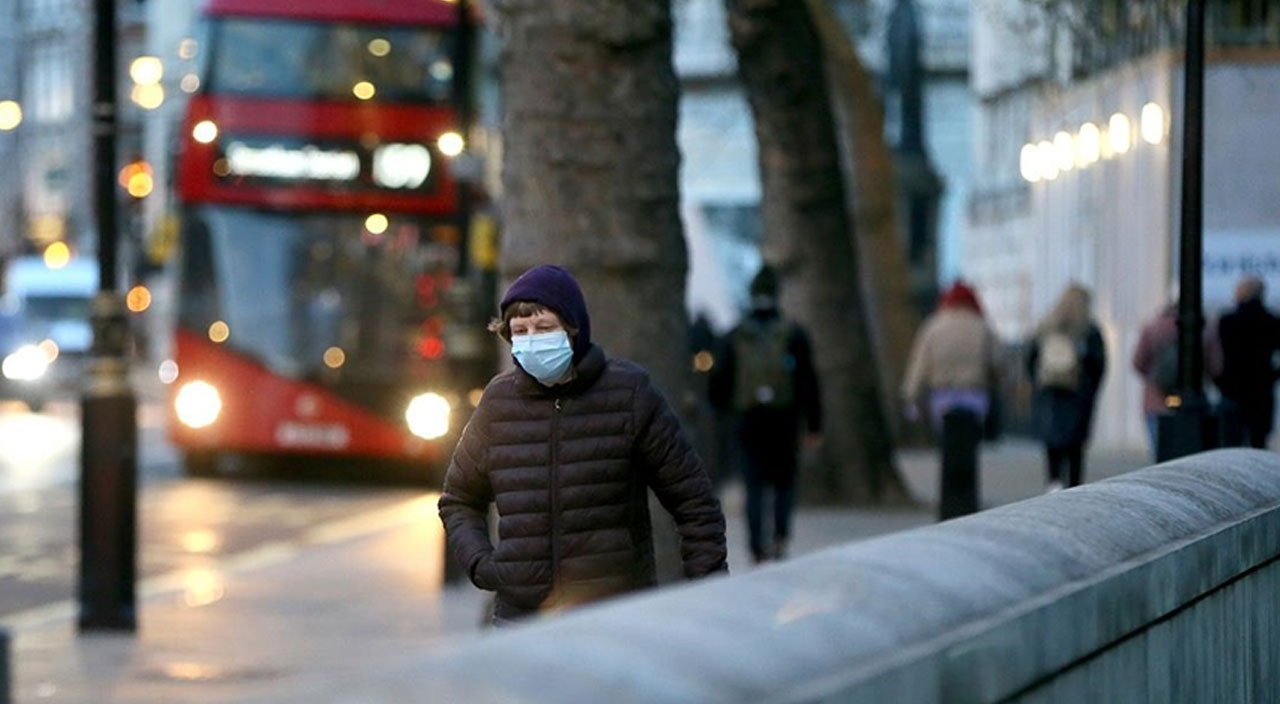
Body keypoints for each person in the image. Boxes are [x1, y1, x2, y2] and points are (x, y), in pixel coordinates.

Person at [438, 265, 728, 626]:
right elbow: (459, 500)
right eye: (520, 331)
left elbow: (694, 502)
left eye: (544, 328)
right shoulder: (498, 402)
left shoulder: (629, 393)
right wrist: (482, 564)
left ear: (574, 330)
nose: (531, 339)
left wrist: (709, 592)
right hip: (520, 620)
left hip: (614, 619)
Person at [709, 265, 821, 564]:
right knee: (784, 482)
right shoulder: (793, 333)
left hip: (748, 420)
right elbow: (809, 382)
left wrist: (723, 413)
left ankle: (757, 546)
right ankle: (781, 536)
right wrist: (813, 424)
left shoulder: (735, 334)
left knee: (754, 484)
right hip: (784, 419)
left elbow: (719, 381)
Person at [902, 280, 1001, 520]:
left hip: (942, 397)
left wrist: (911, 396)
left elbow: (920, 365)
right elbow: (998, 363)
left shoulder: (934, 326)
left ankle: (948, 504)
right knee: (969, 450)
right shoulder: (982, 327)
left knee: (948, 449)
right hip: (974, 395)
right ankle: (968, 500)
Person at [1025, 285, 1106, 491]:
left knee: (1052, 442)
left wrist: (1037, 384)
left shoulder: (1046, 327)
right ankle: (1074, 486)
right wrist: (1091, 389)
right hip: (1078, 396)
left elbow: (1030, 359)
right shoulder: (1089, 330)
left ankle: (1053, 482)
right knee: (1075, 446)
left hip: (1049, 393)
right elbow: (1099, 365)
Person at [1132, 297, 1223, 460]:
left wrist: (1155, 376)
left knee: (1160, 452)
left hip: (1156, 400)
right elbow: (1216, 368)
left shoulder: (1153, 328)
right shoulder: (1206, 331)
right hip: (1194, 401)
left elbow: (1138, 363)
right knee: (1193, 457)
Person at [1216, 275, 1280, 449]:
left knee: (1231, 443)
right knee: (1258, 442)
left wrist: (1219, 379)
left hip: (1232, 388)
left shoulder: (1227, 321)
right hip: (1261, 389)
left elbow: (1216, 354)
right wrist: (1272, 376)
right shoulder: (1271, 321)